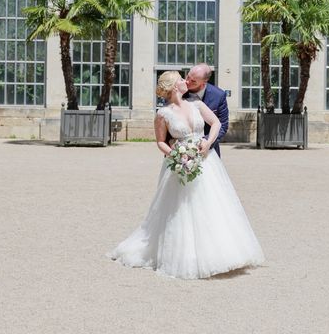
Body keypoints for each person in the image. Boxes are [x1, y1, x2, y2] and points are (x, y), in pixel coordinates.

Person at [110, 71, 264, 279]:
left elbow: (216, 123)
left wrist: (208, 143)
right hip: (180, 165)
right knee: (181, 210)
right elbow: (161, 142)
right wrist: (176, 156)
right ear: (175, 87)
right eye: (182, 79)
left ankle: (221, 252)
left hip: (207, 163)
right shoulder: (163, 114)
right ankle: (188, 256)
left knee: (213, 206)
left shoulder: (197, 105)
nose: (186, 81)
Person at [184, 63, 229, 157]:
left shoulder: (219, 96)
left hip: (209, 151)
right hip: (182, 150)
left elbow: (223, 126)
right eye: (187, 77)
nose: (187, 82)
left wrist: (206, 142)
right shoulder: (178, 92)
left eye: (193, 81)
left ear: (204, 81)